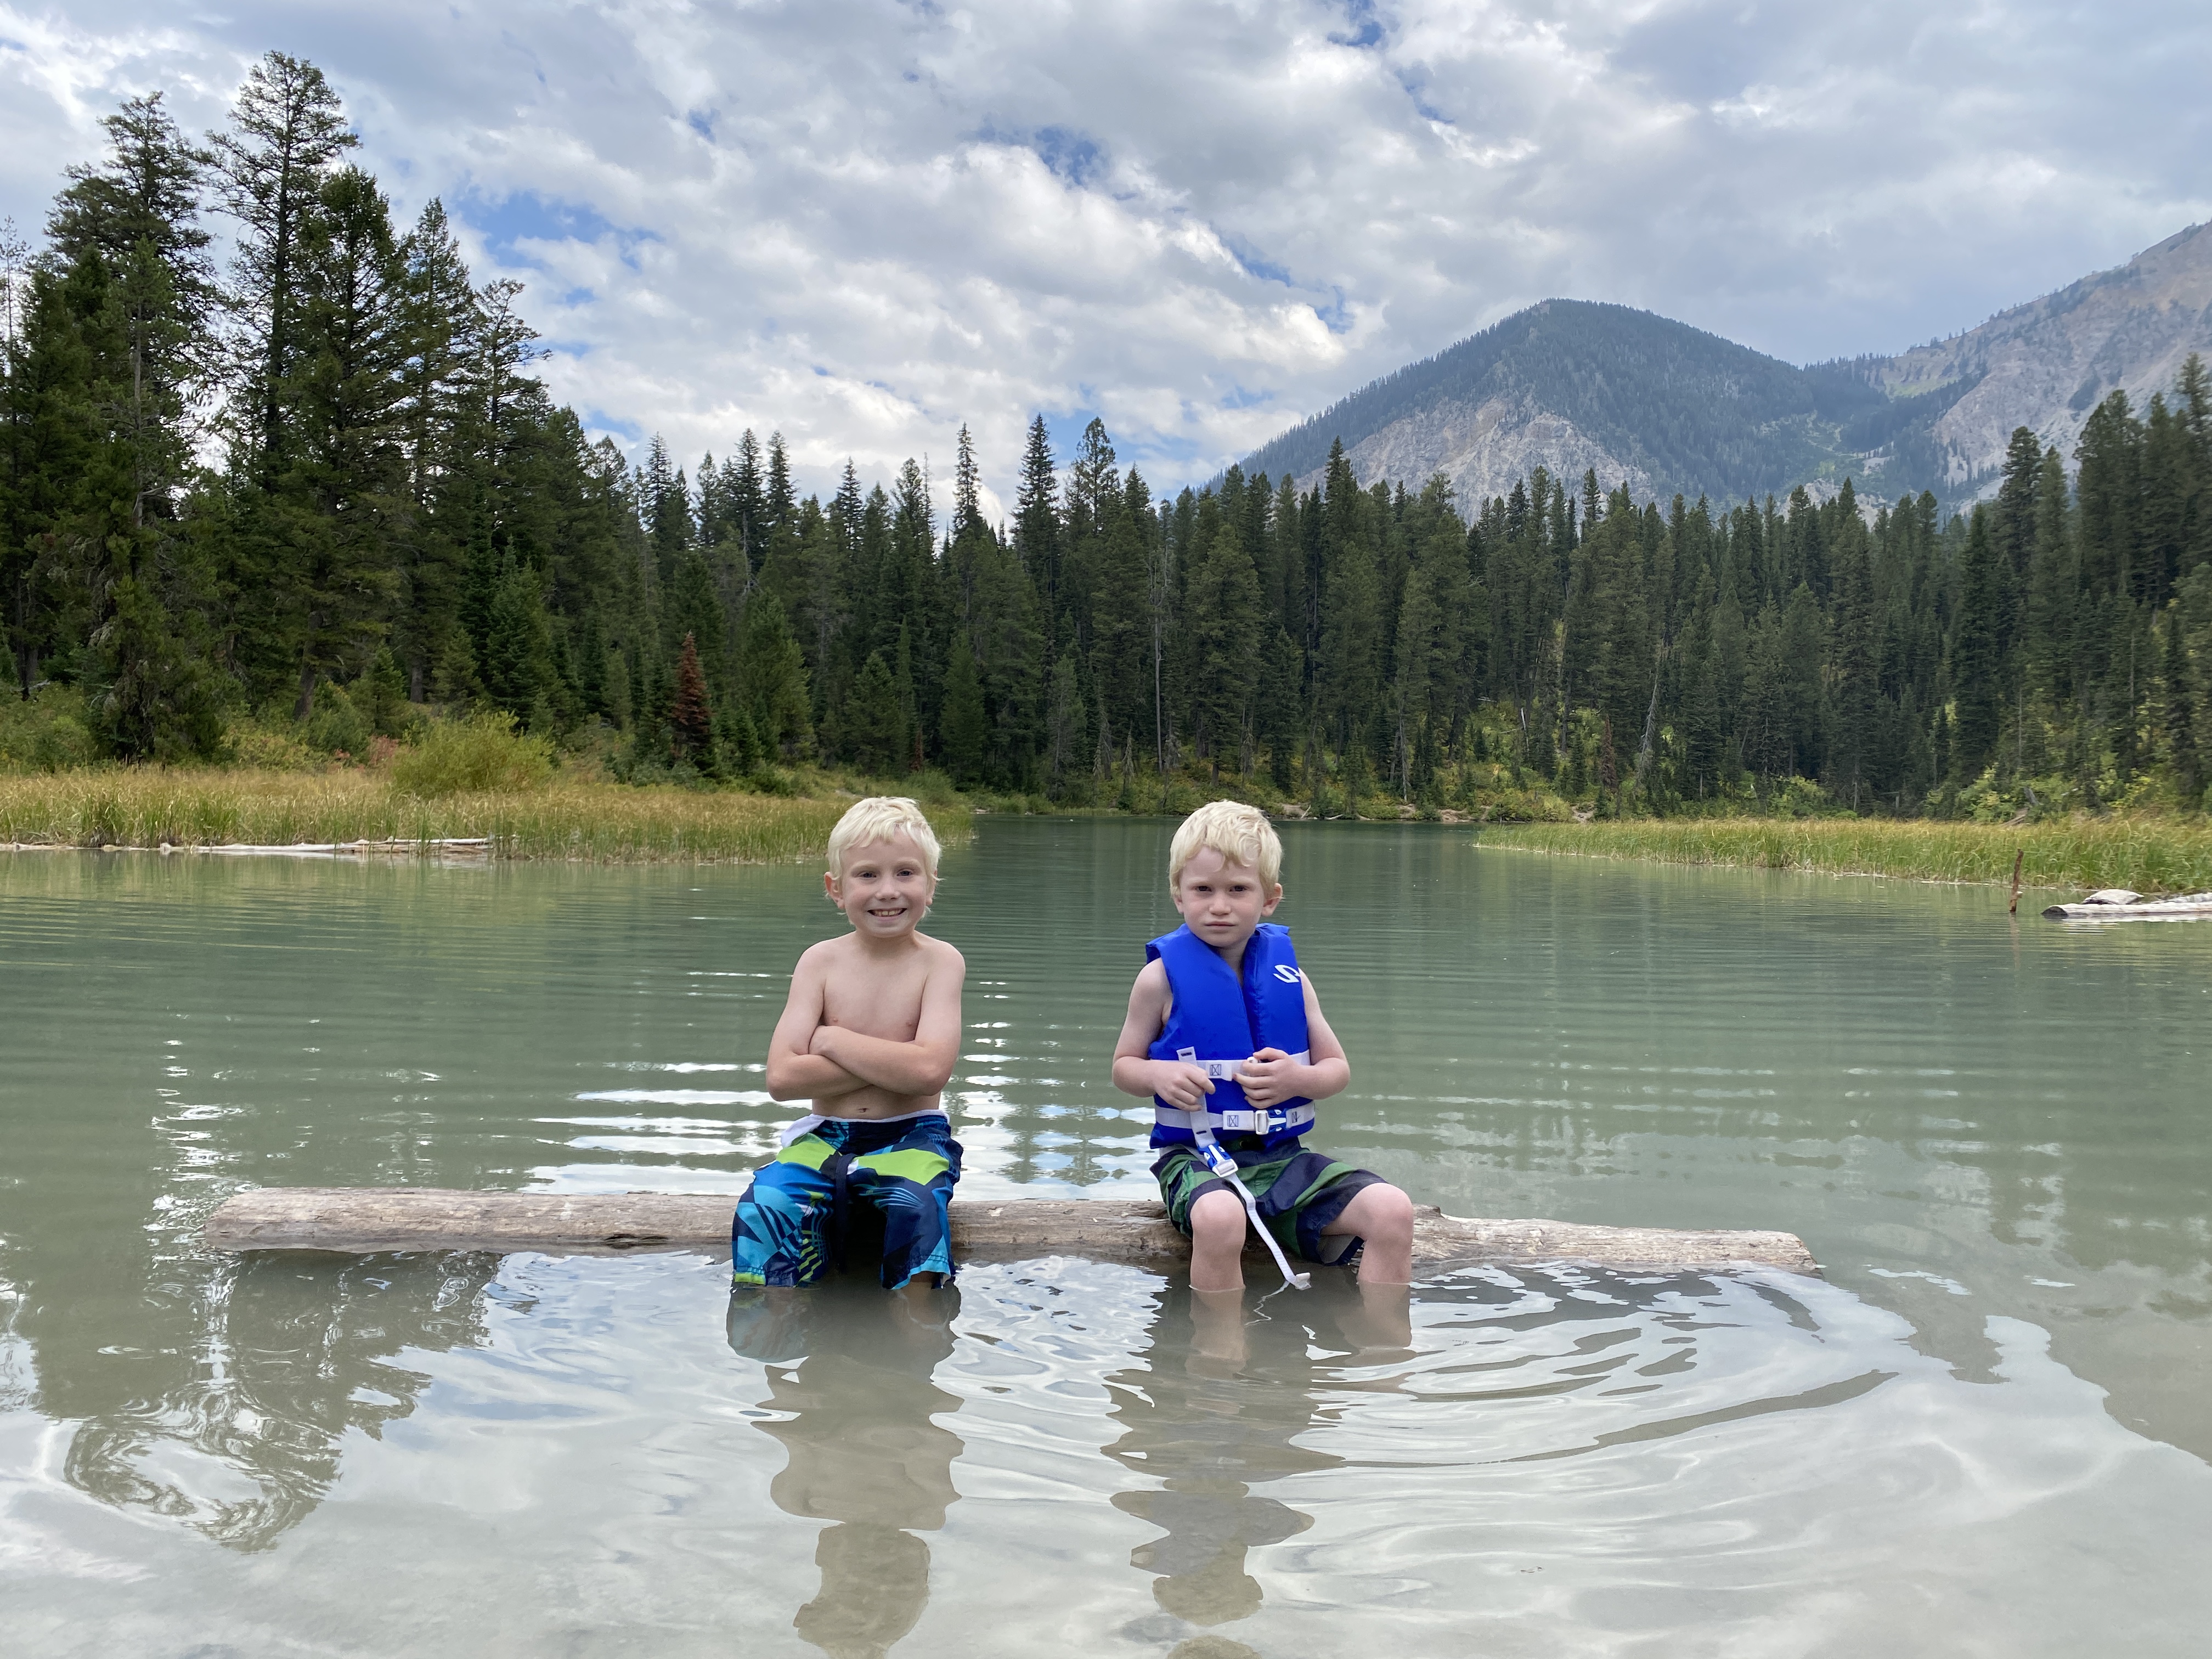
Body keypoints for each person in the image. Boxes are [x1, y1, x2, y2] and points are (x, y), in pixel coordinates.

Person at [1110, 800, 1415, 1311]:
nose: (1220, 906)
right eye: (1203, 890)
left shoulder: (1290, 978)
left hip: (1283, 1158)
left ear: (1270, 899)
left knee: (1393, 1210)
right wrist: (1158, 1073)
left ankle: (1381, 1349)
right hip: (1195, 1158)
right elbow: (1124, 1068)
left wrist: (1298, 1079)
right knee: (1221, 1218)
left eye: (1238, 890)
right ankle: (1220, 1355)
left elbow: (1336, 1071)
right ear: (1179, 897)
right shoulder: (1158, 979)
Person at [731, 797, 966, 1290]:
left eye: (906, 873)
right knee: (766, 1205)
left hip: (915, 1134)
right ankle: (770, 1344)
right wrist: (896, 1055)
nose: (888, 891)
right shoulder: (819, 963)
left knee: (917, 1208)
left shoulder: (940, 962)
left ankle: (916, 1351)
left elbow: (929, 1074)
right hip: (825, 1134)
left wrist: (833, 1039)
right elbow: (782, 1078)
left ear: (931, 885)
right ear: (835, 889)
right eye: (866, 876)